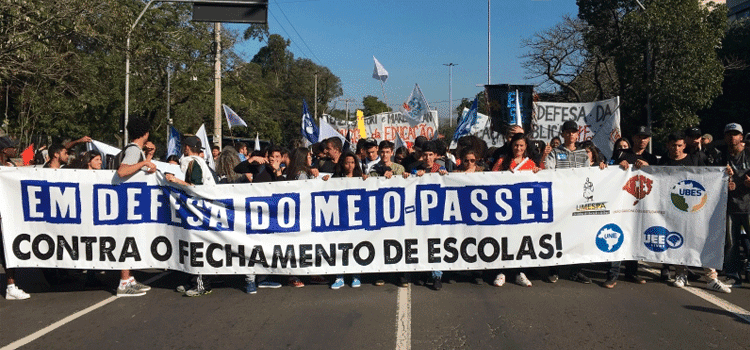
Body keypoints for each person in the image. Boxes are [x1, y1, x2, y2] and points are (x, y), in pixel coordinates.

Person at [541, 120, 592, 284]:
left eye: (573, 132)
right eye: (567, 132)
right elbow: (548, 172)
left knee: (578, 237)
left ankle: (575, 271)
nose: (571, 135)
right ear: (562, 134)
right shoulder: (555, 153)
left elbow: (589, 176)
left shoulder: (584, 154)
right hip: (560, 201)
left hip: (578, 202)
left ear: (578, 134)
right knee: (557, 235)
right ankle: (553, 269)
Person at [115, 117, 157, 297]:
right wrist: (145, 162)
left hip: (131, 202)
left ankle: (129, 278)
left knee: (131, 240)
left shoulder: (136, 151)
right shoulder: (133, 151)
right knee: (127, 239)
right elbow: (123, 171)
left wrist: (148, 158)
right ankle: (124, 282)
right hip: (126, 203)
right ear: (145, 133)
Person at [491, 134, 540, 288]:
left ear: (526, 147)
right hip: (503, 208)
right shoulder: (502, 161)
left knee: (521, 239)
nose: (518, 148)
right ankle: (501, 272)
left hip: (523, 209)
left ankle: (520, 272)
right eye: (516, 145)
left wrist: (538, 172)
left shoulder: (531, 164)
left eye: (521, 145)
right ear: (511, 146)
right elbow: (488, 180)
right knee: (503, 239)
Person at [410, 141, 448, 290]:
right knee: (422, 243)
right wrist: (412, 175)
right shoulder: (415, 169)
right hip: (420, 214)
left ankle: (437, 275)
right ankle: (424, 272)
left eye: (430, 155)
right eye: (425, 155)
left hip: (437, 214)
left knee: (436, 243)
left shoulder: (441, 169)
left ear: (435, 156)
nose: (427, 158)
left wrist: (445, 176)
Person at [329, 152, 367, 289]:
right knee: (341, 247)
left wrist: (366, 180)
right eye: (346, 162)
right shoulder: (337, 177)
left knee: (355, 246)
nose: (349, 165)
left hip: (357, 218)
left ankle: (356, 275)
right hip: (341, 218)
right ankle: (340, 276)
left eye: (352, 162)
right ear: (342, 164)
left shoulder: (361, 178)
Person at [719, 123, 750, 288]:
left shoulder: (749, 154)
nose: (732, 137)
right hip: (729, 207)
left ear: (741, 137)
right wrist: (724, 182)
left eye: (736, 134)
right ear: (725, 137)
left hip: (748, 206)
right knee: (731, 243)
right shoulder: (720, 157)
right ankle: (733, 275)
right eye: (729, 134)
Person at [0, 136, 31, 300]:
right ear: (5, 151)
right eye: (12, 147)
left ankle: (11, 287)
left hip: (8, 217)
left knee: (8, 253)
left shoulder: (10, 166)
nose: (15, 150)